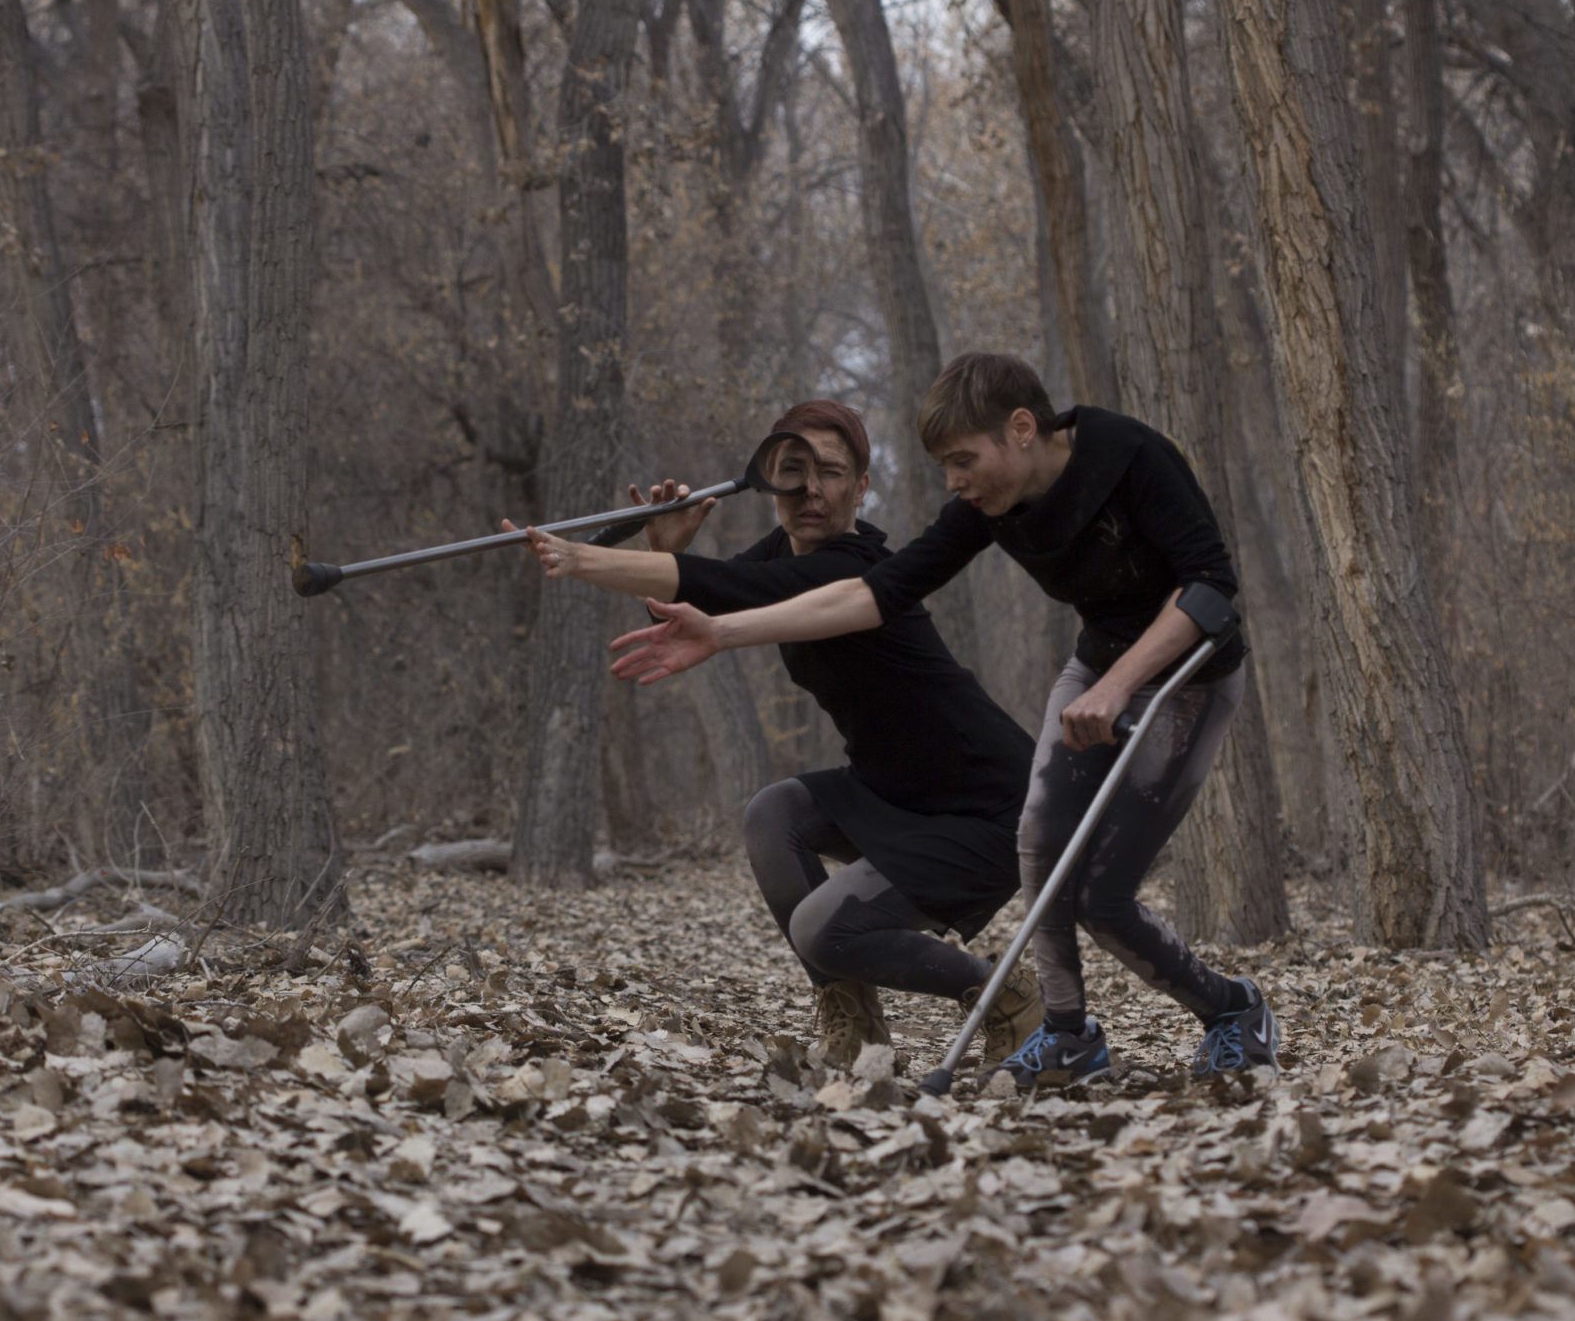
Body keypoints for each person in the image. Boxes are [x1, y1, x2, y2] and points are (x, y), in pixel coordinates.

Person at [610, 355, 1281, 1085]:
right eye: (944, 466)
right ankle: (1066, 1033)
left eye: (963, 461)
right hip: (1096, 669)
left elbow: (1212, 587)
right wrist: (699, 602)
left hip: (1189, 677)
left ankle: (1232, 1008)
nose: (954, 482)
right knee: (1040, 850)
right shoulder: (983, 507)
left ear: (1021, 430)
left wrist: (1120, 687)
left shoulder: (1132, 456)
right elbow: (880, 590)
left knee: (1099, 896)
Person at [502, 400, 1042, 1070]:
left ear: (862, 486)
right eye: (796, 471)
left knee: (823, 928)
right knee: (773, 813)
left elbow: (731, 585)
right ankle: (855, 1020)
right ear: (771, 479)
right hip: (895, 793)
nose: (813, 490)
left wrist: (578, 558)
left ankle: (1003, 989)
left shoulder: (853, 568)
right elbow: (712, 595)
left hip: (985, 808)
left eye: (834, 472)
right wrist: (667, 549)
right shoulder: (786, 553)